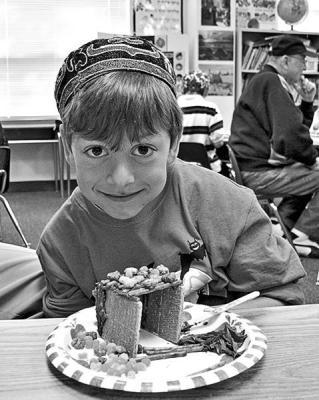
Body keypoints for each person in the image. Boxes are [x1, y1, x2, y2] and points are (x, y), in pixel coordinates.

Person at [37, 35, 306, 318]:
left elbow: (282, 296)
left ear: (173, 144)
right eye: (96, 150)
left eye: (142, 149)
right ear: (68, 147)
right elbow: (69, 333)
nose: (121, 179)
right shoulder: (61, 242)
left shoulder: (230, 207)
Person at [230, 34, 319, 258]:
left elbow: (294, 132)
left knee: (307, 169)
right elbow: (289, 138)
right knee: (314, 169)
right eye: (302, 60)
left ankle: (284, 232)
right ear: (286, 61)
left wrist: (307, 103)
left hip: (250, 167)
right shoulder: (272, 81)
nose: (305, 66)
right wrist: (312, 159)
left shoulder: (263, 79)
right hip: (258, 172)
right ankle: (300, 233)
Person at [177, 70, 228, 172]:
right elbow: (218, 140)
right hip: (207, 168)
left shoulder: (173, 106)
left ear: (183, 87)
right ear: (205, 89)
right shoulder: (211, 109)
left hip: (177, 168)